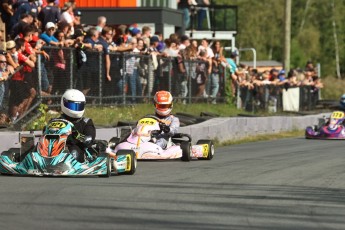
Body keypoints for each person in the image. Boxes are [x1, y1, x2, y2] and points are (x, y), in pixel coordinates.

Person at [57, 89, 96, 162]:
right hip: (55, 148)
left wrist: (76, 136)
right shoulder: (55, 121)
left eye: (79, 106)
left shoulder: (86, 123)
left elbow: (89, 139)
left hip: (75, 149)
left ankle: (68, 164)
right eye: (72, 106)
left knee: (73, 151)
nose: (76, 109)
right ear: (64, 103)